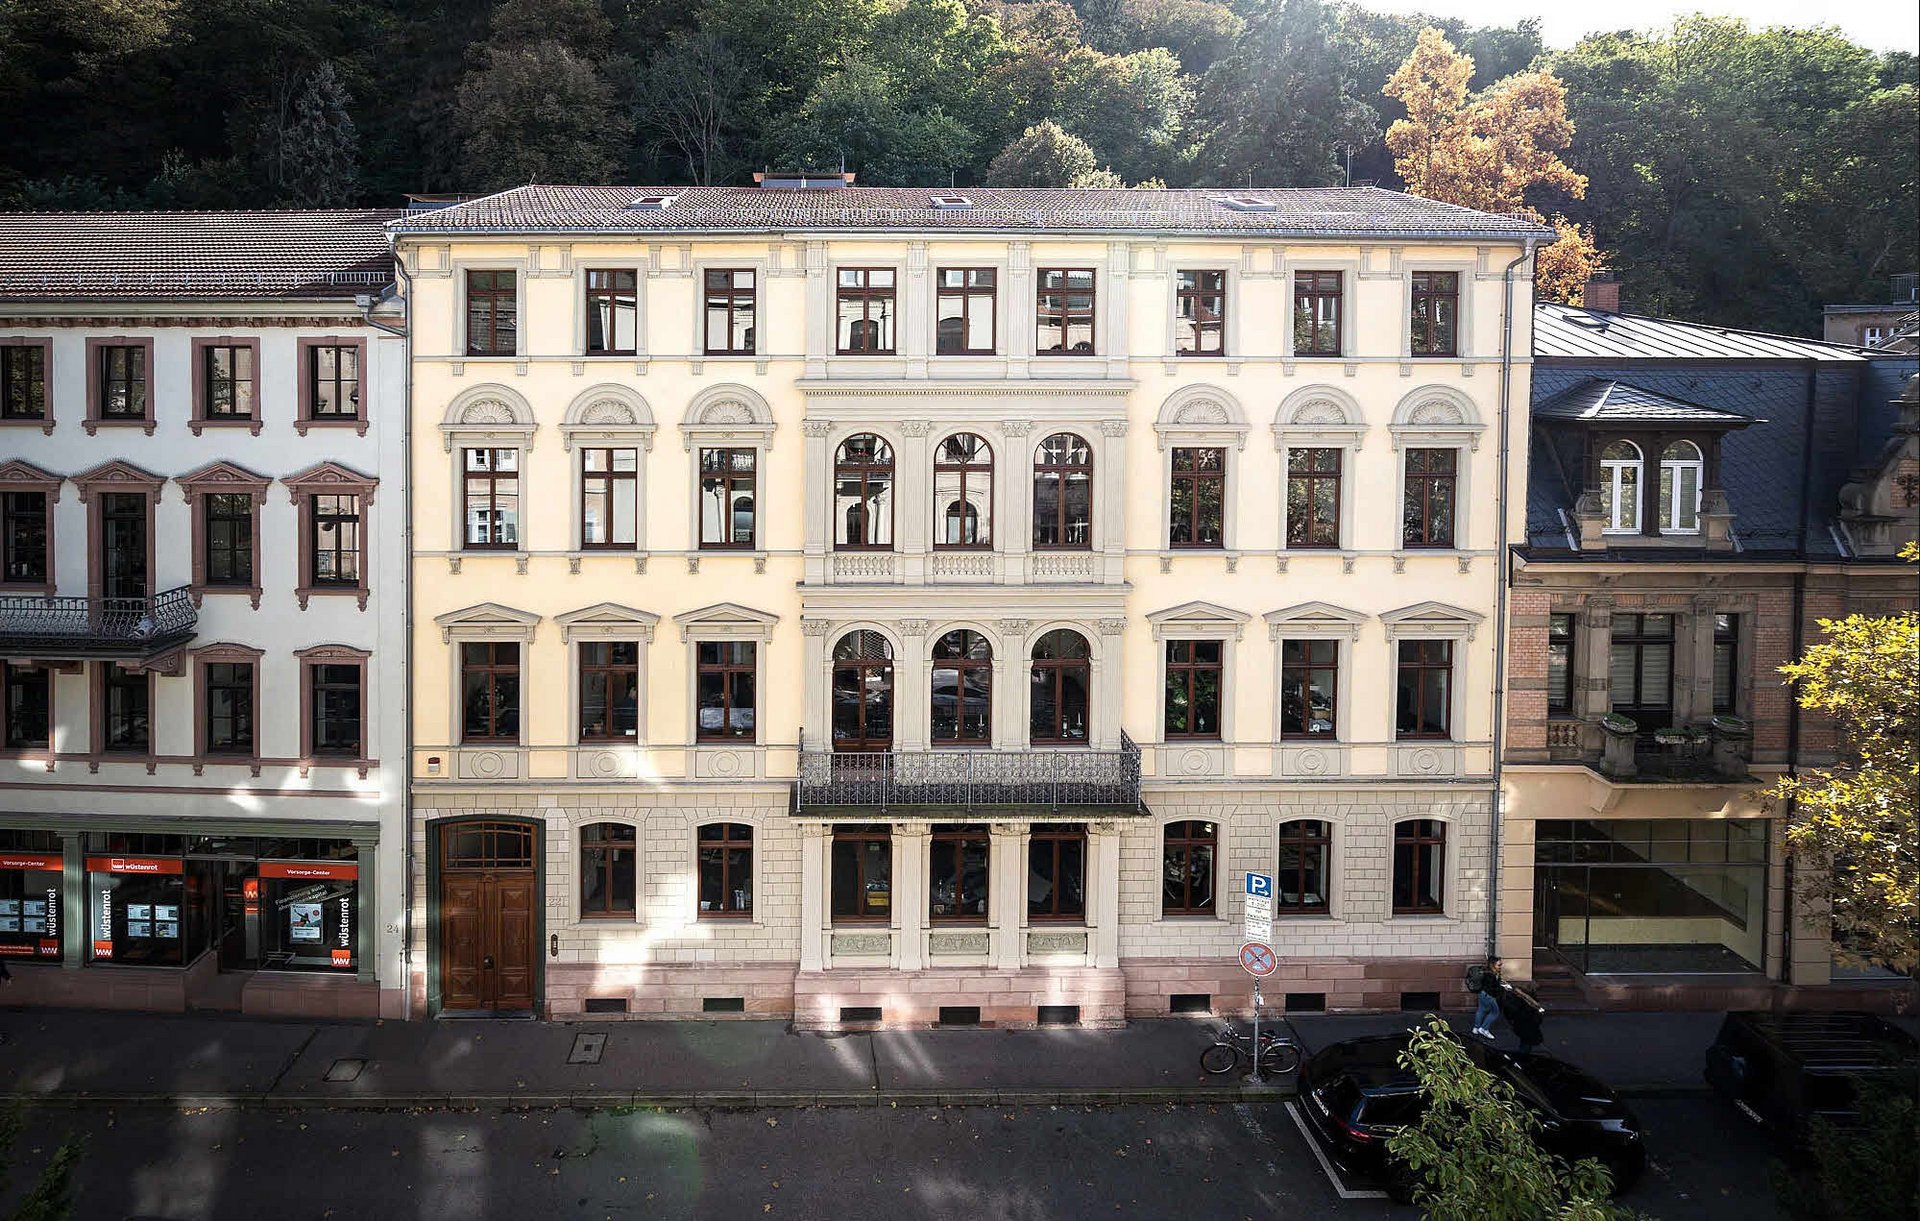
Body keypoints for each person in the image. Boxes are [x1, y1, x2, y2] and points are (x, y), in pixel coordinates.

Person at [1465, 956, 1503, 1041]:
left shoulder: (1485, 972)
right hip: (1488, 995)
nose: (1500, 966)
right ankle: (1484, 1029)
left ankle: (1476, 1028)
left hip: (1481, 993)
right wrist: (1502, 988)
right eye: (1499, 965)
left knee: (1481, 1010)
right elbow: (1491, 988)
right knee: (1495, 1012)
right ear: (1493, 965)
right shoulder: (1491, 975)